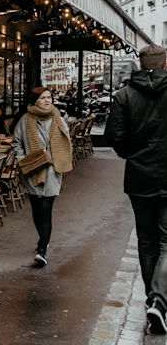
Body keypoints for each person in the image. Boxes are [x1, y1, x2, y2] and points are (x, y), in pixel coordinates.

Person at [106, 44, 167, 335]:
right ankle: (159, 299)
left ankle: (152, 299)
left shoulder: (124, 95)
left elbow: (114, 136)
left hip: (139, 176)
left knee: (146, 240)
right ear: (165, 64)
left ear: (141, 65)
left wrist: (135, 154)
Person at [12, 87, 74, 267]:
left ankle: (42, 248)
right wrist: (23, 159)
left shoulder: (58, 119)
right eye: (42, 98)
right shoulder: (25, 120)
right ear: (34, 101)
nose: (47, 101)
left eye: (49, 98)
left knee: (46, 208)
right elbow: (16, 142)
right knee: (37, 208)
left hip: (53, 171)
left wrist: (56, 157)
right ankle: (42, 240)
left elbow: (66, 141)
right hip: (32, 170)